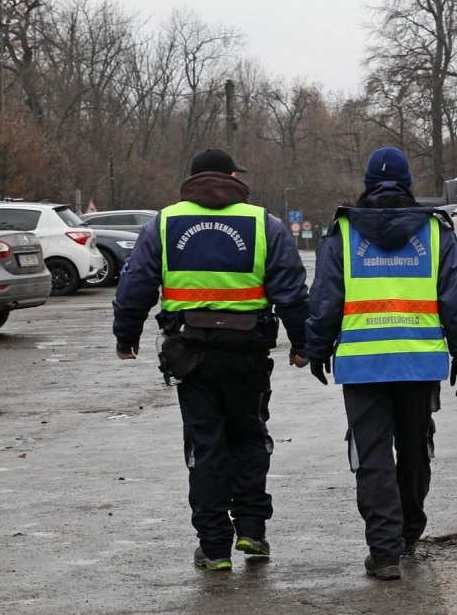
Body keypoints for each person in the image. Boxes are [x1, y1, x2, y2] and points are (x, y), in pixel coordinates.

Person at [112, 148, 310, 571]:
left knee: (206, 445)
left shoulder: (163, 223)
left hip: (190, 354)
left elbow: (136, 285)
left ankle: (215, 547)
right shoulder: (264, 223)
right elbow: (291, 289)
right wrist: (302, 341)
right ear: (232, 176)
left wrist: (125, 336)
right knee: (249, 437)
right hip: (248, 352)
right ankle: (253, 532)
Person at [305, 147, 457, 581]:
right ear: (409, 185)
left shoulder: (343, 232)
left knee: (372, 455)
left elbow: (325, 298)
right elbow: (456, 300)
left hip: (363, 364)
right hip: (419, 362)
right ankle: (408, 536)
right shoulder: (437, 231)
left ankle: (384, 553)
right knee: (416, 448)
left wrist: (318, 346)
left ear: (366, 185)